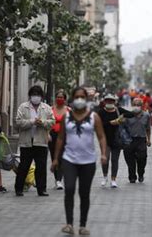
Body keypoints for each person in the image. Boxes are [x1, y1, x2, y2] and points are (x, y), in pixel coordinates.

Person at [51, 87, 107, 235]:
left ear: (86, 99)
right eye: (77, 97)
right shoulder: (67, 117)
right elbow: (61, 138)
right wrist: (56, 158)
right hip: (69, 159)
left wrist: (103, 154)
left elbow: (101, 136)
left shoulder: (94, 117)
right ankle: (69, 224)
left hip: (88, 161)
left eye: (82, 97)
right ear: (73, 99)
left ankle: (82, 225)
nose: (79, 99)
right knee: (69, 189)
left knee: (84, 192)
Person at [14, 85, 55, 197]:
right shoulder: (23, 107)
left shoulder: (46, 108)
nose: (35, 97)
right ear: (30, 96)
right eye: (33, 95)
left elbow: (52, 122)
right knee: (24, 166)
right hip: (26, 141)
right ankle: (19, 188)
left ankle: (42, 189)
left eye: (38, 95)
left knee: (41, 167)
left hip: (41, 141)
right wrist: (32, 122)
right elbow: (18, 122)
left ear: (41, 96)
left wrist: (42, 123)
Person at [97, 93, 134, 188]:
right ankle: (105, 176)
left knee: (115, 160)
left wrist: (121, 118)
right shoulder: (101, 112)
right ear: (105, 101)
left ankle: (113, 179)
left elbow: (131, 114)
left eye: (112, 100)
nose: (110, 102)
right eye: (108, 100)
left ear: (115, 102)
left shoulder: (118, 110)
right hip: (105, 140)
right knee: (105, 159)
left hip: (117, 139)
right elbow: (98, 124)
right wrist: (110, 123)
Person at [124, 97, 151, 183]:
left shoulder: (146, 115)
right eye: (134, 105)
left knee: (142, 158)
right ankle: (132, 176)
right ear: (132, 105)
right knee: (129, 159)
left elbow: (148, 129)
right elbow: (123, 128)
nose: (136, 106)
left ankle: (141, 174)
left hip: (141, 140)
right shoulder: (128, 115)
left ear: (142, 106)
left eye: (138, 105)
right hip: (130, 140)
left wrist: (149, 139)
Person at [49, 90, 70, 190]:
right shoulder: (50, 109)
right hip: (53, 135)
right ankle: (57, 179)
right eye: (58, 97)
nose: (59, 99)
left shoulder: (69, 110)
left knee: (62, 157)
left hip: (65, 136)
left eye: (61, 97)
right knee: (54, 156)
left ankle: (59, 179)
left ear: (65, 99)